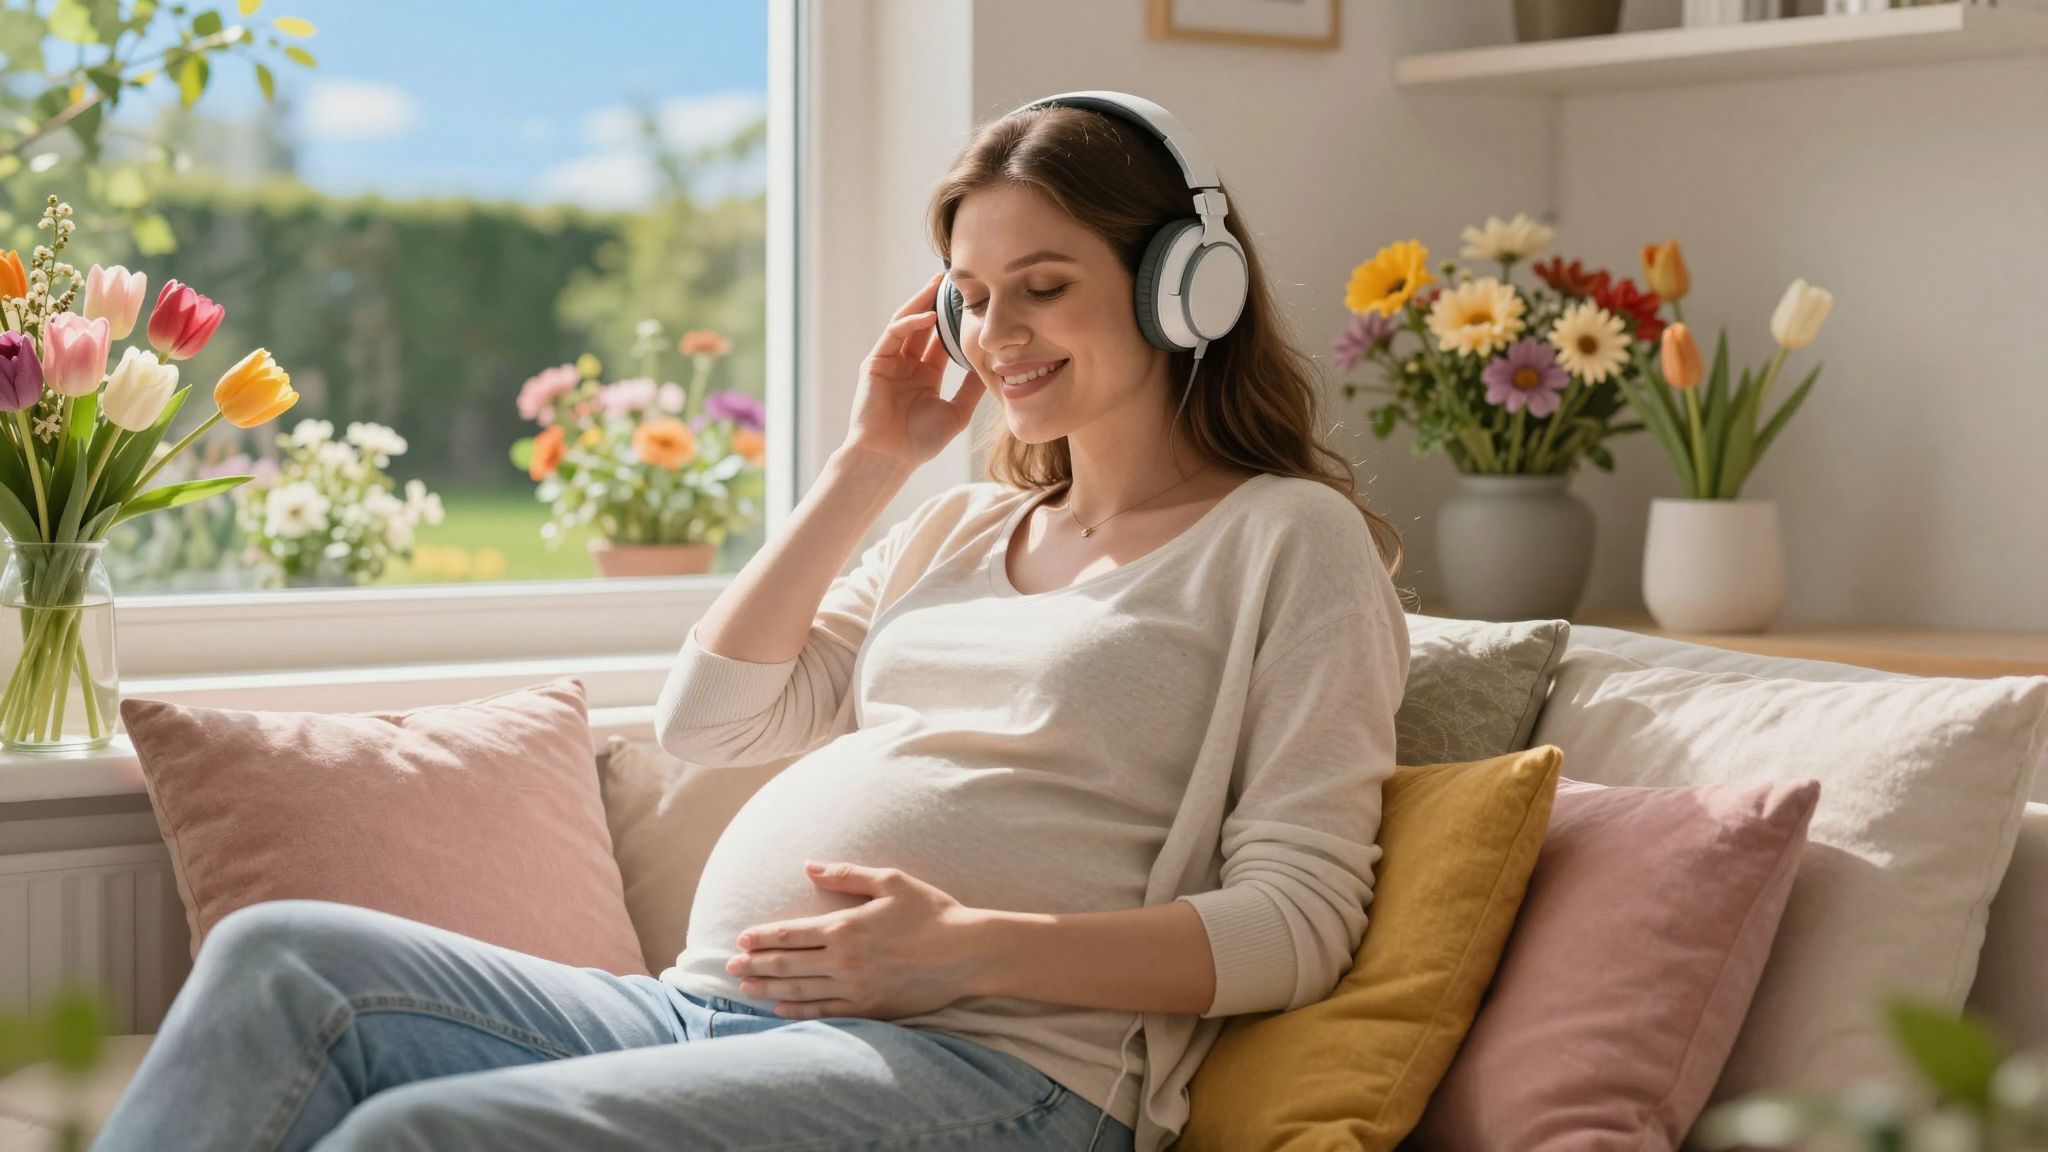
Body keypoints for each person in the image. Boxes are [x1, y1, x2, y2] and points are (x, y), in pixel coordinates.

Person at [92, 92, 1409, 1152]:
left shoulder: (1287, 540)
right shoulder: (955, 529)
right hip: (699, 1017)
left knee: (429, 1134)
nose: (996, 332)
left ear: (1187, 286)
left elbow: (1297, 925)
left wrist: (966, 955)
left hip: (996, 1074)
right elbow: (714, 720)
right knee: (282, 958)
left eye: (1045, 285)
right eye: (970, 292)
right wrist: (873, 459)